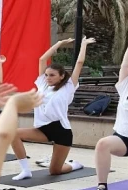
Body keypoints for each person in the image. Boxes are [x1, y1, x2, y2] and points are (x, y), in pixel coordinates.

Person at [10, 37, 96, 180]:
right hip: (42, 129)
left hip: (61, 131)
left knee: (55, 171)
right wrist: (59, 43)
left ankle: (74, 164)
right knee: (13, 134)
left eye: (52, 75)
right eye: (47, 75)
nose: (48, 77)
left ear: (61, 76)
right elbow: (42, 60)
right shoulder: (43, 85)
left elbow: (79, 63)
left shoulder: (68, 87)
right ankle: (25, 170)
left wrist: (84, 45)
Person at [91, 34, 128, 190]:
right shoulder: (126, 90)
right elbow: (124, 66)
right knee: (102, 144)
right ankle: (102, 185)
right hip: (124, 139)